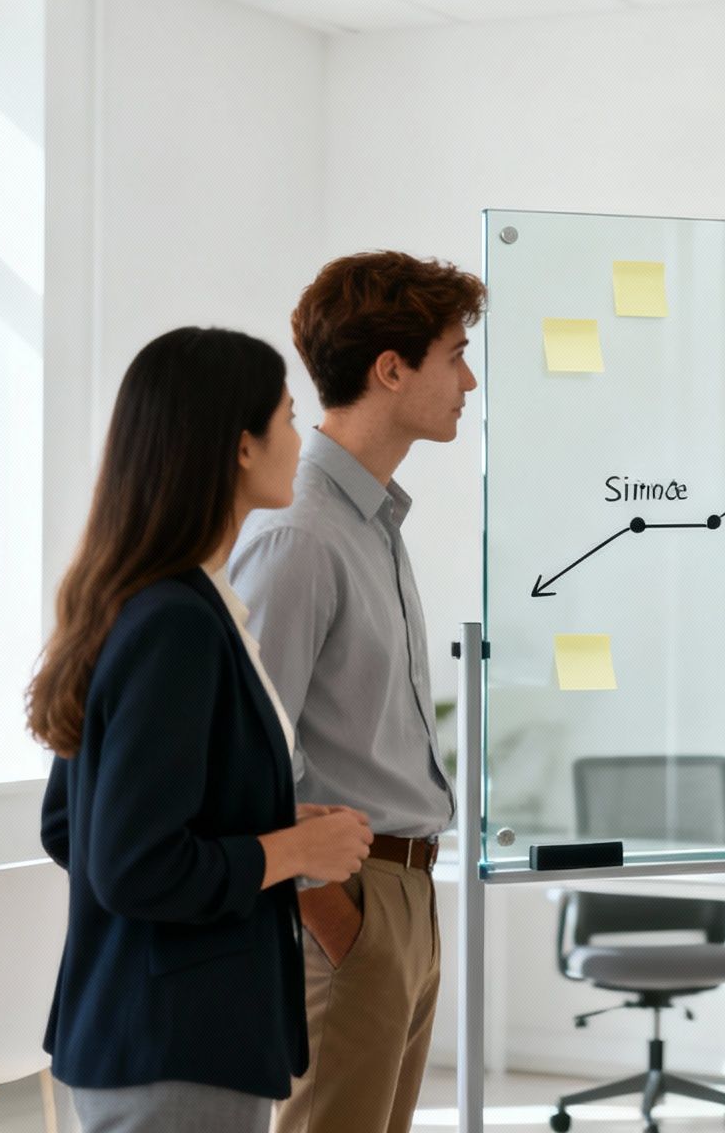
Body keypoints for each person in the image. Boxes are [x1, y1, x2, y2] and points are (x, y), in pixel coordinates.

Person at [31, 327, 375, 1133]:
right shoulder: (175, 623)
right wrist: (291, 851)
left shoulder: (158, 602)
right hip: (173, 1039)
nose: (302, 440)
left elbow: (71, 827)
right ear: (242, 447)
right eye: (290, 419)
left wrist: (277, 825)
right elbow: (136, 865)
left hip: (153, 1029)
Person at [229, 250, 485, 1133]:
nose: (469, 378)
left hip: (404, 898)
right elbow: (249, 755)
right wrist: (335, 921)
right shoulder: (299, 535)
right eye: (454, 354)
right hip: (347, 906)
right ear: (391, 369)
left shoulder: (372, 521)